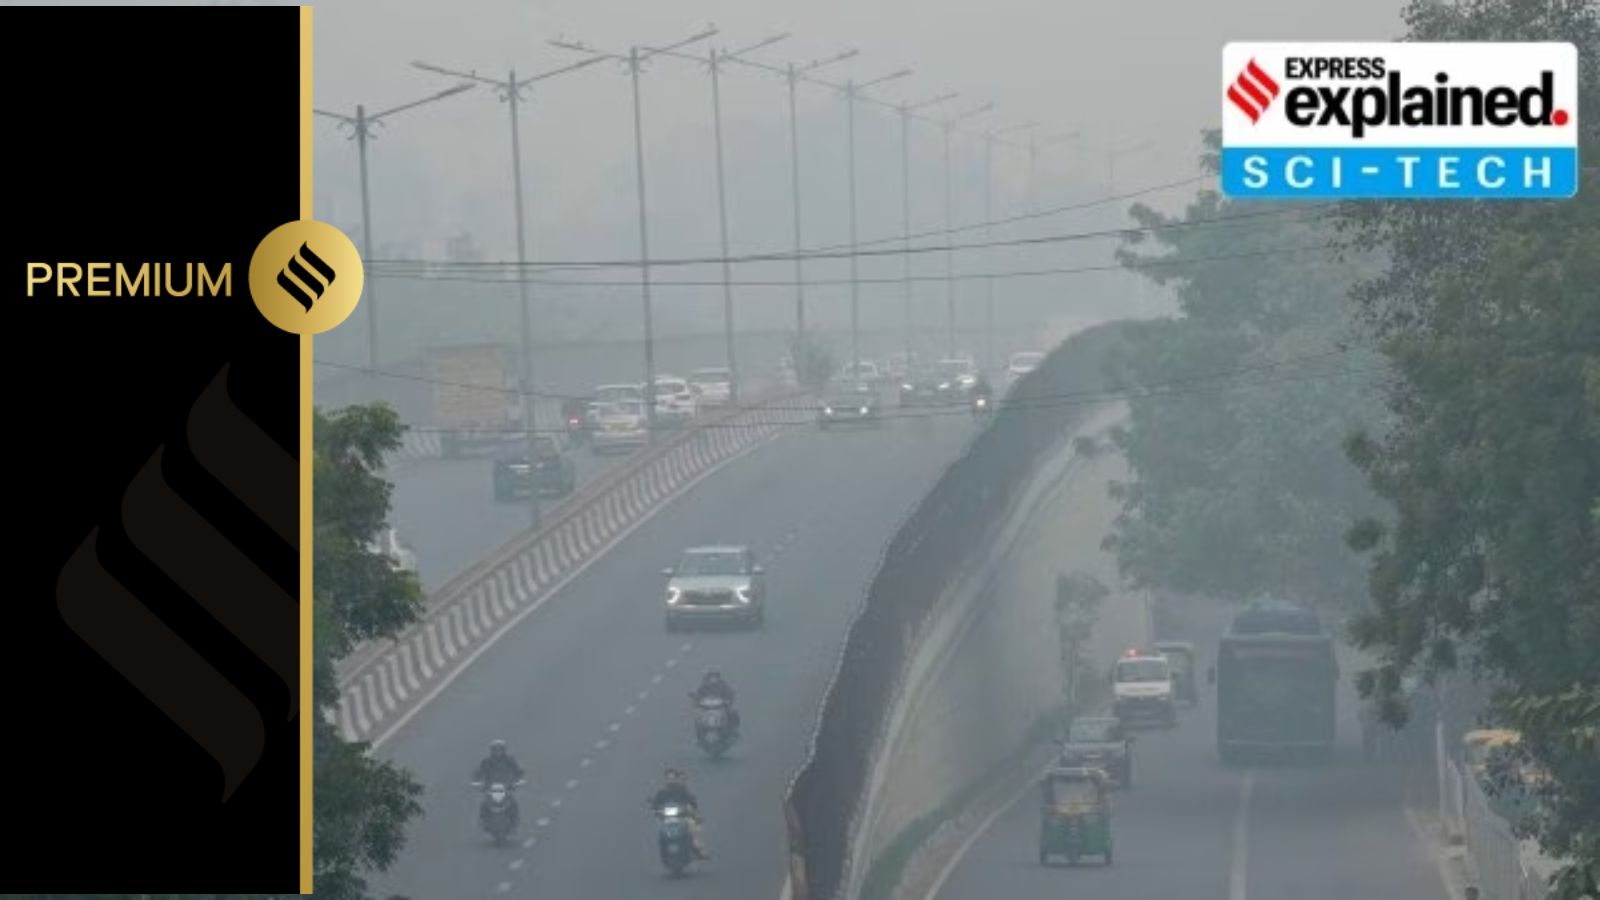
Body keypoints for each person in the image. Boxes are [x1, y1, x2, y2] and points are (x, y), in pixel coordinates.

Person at [649, 768, 709, 859]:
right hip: (666, 818)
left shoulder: (682, 790)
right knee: (659, 829)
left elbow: (691, 801)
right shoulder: (662, 792)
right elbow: (655, 803)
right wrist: (655, 809)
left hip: (683, 816)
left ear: (676, 779)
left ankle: (698, 849)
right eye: (668, 778)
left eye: (672, 778)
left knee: (693, 828)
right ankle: (663, 847)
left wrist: (693, 811)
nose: (670, 780)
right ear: (665, 779)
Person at [473, 740, 525, 828]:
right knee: (484, 804)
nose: (498, 752)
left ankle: (514, 821)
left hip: (506, 786)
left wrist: (518, 781)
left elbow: (518, 771)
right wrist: (477, 782)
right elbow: (479, 773)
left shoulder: (509, 760)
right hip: (490, 787)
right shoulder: (486, 761)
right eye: (495, 750)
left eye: (500, 749)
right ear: (491, 751)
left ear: (504, 750)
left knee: (513, 803)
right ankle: (483, 821)